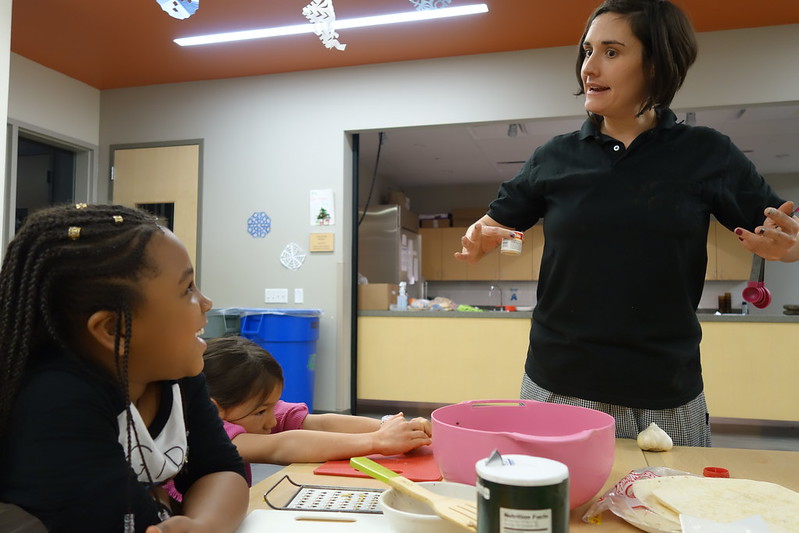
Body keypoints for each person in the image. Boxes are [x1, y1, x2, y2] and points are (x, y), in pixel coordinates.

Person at [455, 0, 799, 447]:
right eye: (586, 51)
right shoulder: (553, 158)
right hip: (560, 383)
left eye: (611, 52)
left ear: (656, 64)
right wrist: (477, 238)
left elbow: (781, 227)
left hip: (665, 390)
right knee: (564, 515)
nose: (588, 67)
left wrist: (789, 248)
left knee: (668, 511)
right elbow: (489, 227)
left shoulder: (708, 153)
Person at [0, 204, 249, 533]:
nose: (206, 303)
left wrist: (203, 524)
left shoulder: (174, 372)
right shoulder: (58, 404)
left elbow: (221, 469)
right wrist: (163, 506)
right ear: (113, 329)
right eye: (187, 288)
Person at [165, 336, 432, 500]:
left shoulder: (244, 409)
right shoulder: (208, 433)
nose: (271, 422)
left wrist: (393, 429)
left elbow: (318, 422)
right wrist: (378, 442)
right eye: (261, 412)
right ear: (214, 409)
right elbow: (282, 446)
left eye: (271, 408)